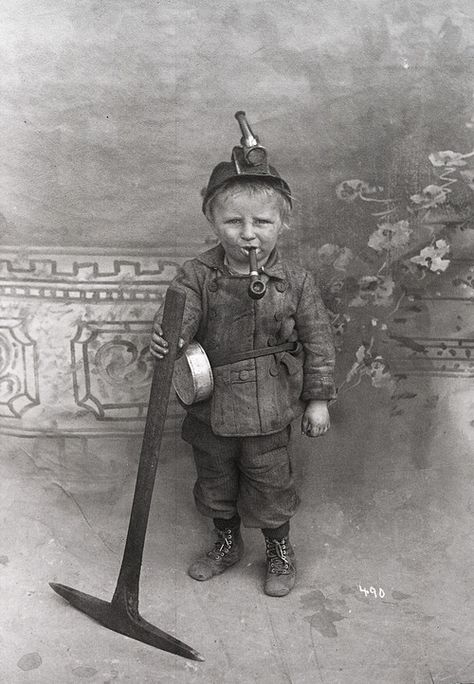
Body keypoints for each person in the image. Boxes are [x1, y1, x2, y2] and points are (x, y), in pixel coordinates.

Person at [150, 113, 336, 597]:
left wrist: (318, 400)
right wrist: (166, 339)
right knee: (215, 481)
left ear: (284, 223)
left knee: (270, 482)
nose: (248, 234)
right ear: (213, 221)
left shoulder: (296, 281)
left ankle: (278, 549)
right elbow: (180, 321)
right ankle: (226, 543)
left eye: (262, 222)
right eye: (233, 221)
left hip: (270, 406)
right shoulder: (196, 275)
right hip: (211, 407)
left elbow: (318, 342)